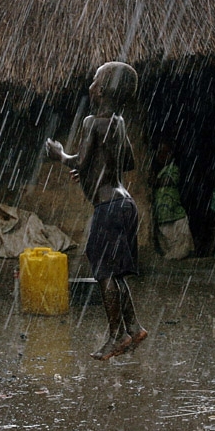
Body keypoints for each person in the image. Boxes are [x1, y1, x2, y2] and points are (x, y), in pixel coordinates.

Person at [45, 61, 148, 361]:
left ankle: (116, 337)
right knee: (115, 272)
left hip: (108, 208)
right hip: (126, 204)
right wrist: (92, 170)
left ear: (100, 90)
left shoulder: (92, 122)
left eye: (93, 81)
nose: (90, 85)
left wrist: (60, 154)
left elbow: (79, 160)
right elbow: (126, 162)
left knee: (103, 273)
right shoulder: (119, 122)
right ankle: (134, 327)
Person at [151, 141, 194, 260]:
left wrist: (153, 181)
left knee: (183, 248)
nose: (162, 156)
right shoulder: (158, 173)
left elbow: (167, 180)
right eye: (160, 153)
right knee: (169, 252)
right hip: (162, 219)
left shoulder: (172, 169)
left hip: (176, 216)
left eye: (165, 153)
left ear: (171, 155)